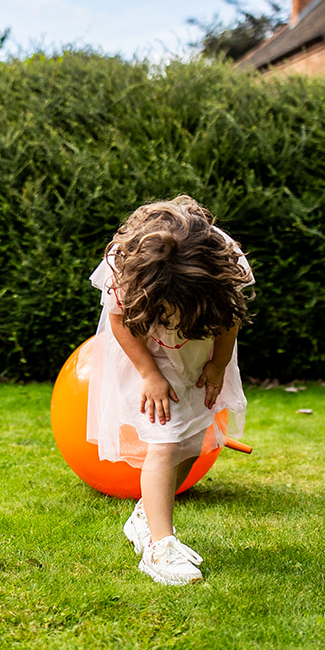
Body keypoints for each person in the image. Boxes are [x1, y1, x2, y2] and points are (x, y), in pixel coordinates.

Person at [85, 196, 252, 585]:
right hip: (149, 353)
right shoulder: (127, 263)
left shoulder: (223, 263)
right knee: (166, 440)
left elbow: (230, 316)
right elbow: (119, 320)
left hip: (200, 350)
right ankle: (160, 548)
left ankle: (145, 515)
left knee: (195, 442)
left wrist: (218, 365)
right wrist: (149, 374)